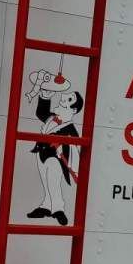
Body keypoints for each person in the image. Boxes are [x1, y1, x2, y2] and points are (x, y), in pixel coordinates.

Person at [25, 71, 83, 226]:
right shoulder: (53, 118)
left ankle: (58, 209)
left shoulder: (70, 128)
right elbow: (41, 112)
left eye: (69, 99)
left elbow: (76, 147)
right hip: (41, 153)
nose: (63, 99)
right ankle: (46, 206)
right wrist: (46, 93)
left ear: (74, 110)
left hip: (55, 158)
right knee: (45, 180)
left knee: (53, 181)